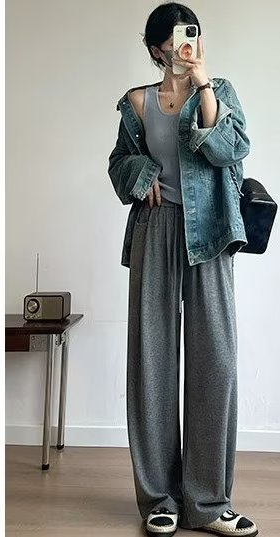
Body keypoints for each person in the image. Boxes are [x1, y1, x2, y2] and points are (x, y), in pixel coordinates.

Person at [108, 3, 258, 537]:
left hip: (211, 231)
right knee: (152, 359)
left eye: (192, 35)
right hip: (156, 229)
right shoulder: (136, 101)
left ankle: (209, 501)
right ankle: (159, 498)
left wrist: (204, 87)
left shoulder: (219, 90)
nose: (187, 46)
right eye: (175, 39)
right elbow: (118, 162)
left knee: (215, 360)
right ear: (157, 49)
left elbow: (231, 150)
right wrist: (140, 171)